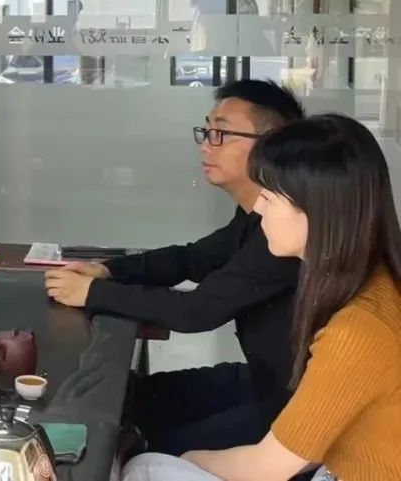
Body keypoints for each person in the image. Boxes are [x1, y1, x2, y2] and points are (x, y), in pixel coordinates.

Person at [124, 114, 401, 481]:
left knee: (144, 470)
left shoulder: (357, 331)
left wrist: (185, 459)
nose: (257, 209)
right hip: (329, 466)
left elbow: (267, 467)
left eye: (268, 197)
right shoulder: (373, 282)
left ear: (317, 211)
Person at [45, 80, 304, 455]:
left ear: (271, 145)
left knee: (149, 454)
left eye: (221, 133)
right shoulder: (256, 216)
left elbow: (198, 310)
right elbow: (192, 259)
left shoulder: (287, 233)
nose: (206, 144)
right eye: (207, 130)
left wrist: (94, 293)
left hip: (293, 408)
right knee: (129, 400)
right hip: (260, 381)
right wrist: (110, 271)